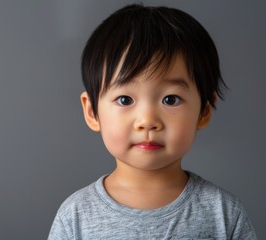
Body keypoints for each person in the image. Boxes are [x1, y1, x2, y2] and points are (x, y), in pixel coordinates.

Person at [48, 4, 257, 239]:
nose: (147, 121)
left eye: (170, 99)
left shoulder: (224, 214)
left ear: (204, 111)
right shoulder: (75, 216)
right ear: (92, 111)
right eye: (125, 99)